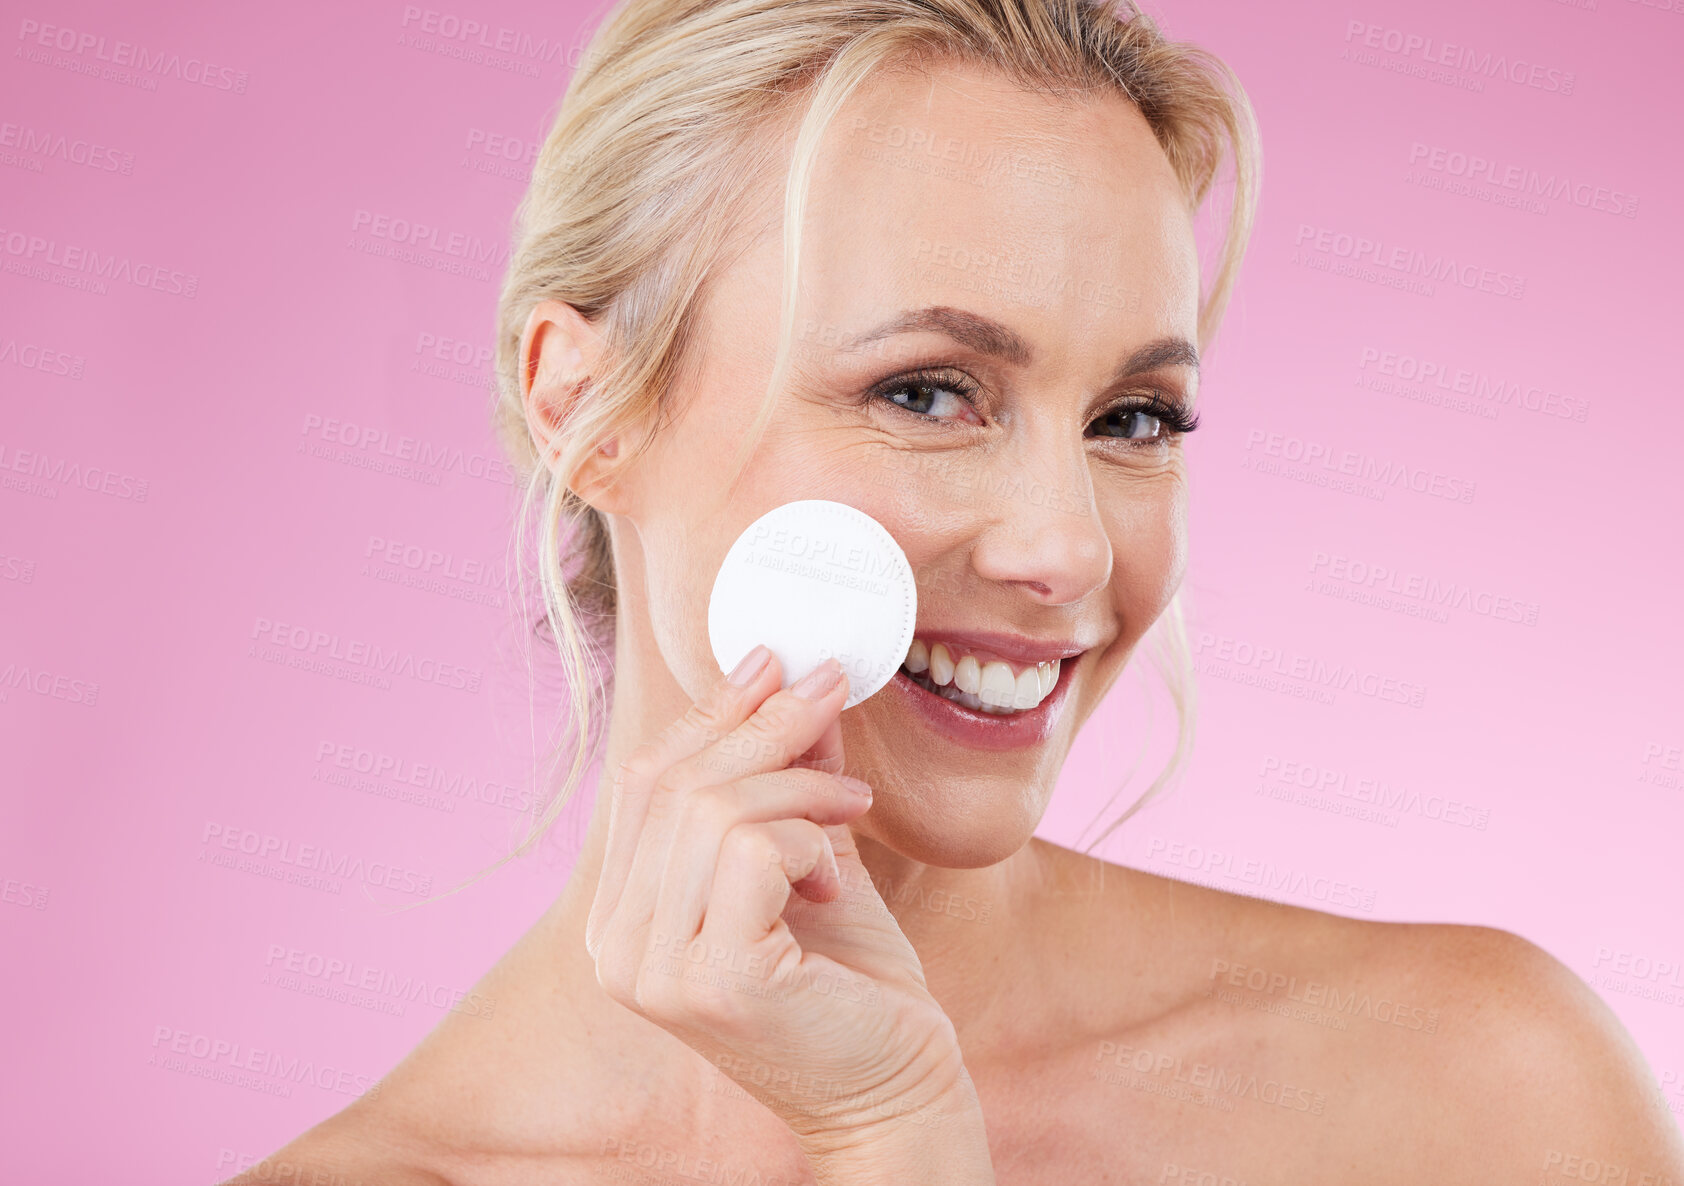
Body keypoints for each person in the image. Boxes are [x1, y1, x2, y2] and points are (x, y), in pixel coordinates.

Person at [225, 0, 1684, 1181]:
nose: (1066, 552)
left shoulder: (1469, 1096)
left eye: (1134, 419)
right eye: (928, 391)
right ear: (588, 410)